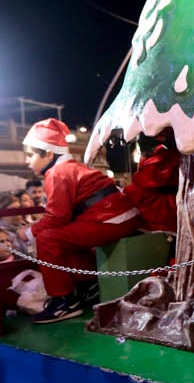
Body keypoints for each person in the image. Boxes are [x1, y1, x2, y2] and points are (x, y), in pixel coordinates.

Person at [19, 118, 143, 323]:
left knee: (48, 239)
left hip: (110, 218)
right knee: (66, 235)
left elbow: (56, 218)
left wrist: (29, 232)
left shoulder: (57, 173)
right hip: (120, 216)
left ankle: (63, 301)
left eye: (30, 155)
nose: (27, 161)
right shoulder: (69, 167)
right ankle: (89, 285)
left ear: (48, 154)